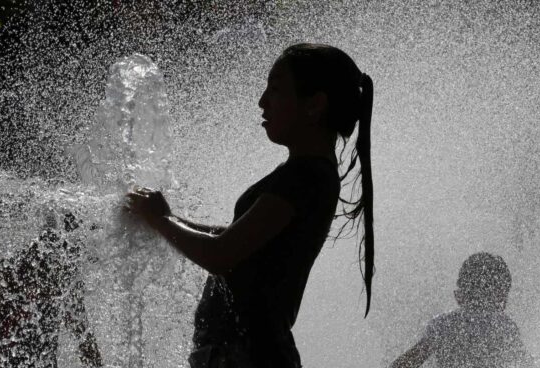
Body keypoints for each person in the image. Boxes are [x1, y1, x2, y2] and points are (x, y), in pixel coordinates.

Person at [126, 43, 375, 367]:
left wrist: (161, 220)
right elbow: (234, 239)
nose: (262, 101)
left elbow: (222, 254)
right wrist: (163, 219)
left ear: (315, 105)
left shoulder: (304, 177)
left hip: (250, 357)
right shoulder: (308, 174)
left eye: (276, 90)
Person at [0, 213, 103, 368]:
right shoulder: (2, 277)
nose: (78, 266)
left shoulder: (64, 284)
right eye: (77, 254)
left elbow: (84, 341)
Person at [390, 252, 534, 368]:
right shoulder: (504, 327)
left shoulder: (443, 326)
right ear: (501, 296)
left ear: (459, 295)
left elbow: (406, 363)